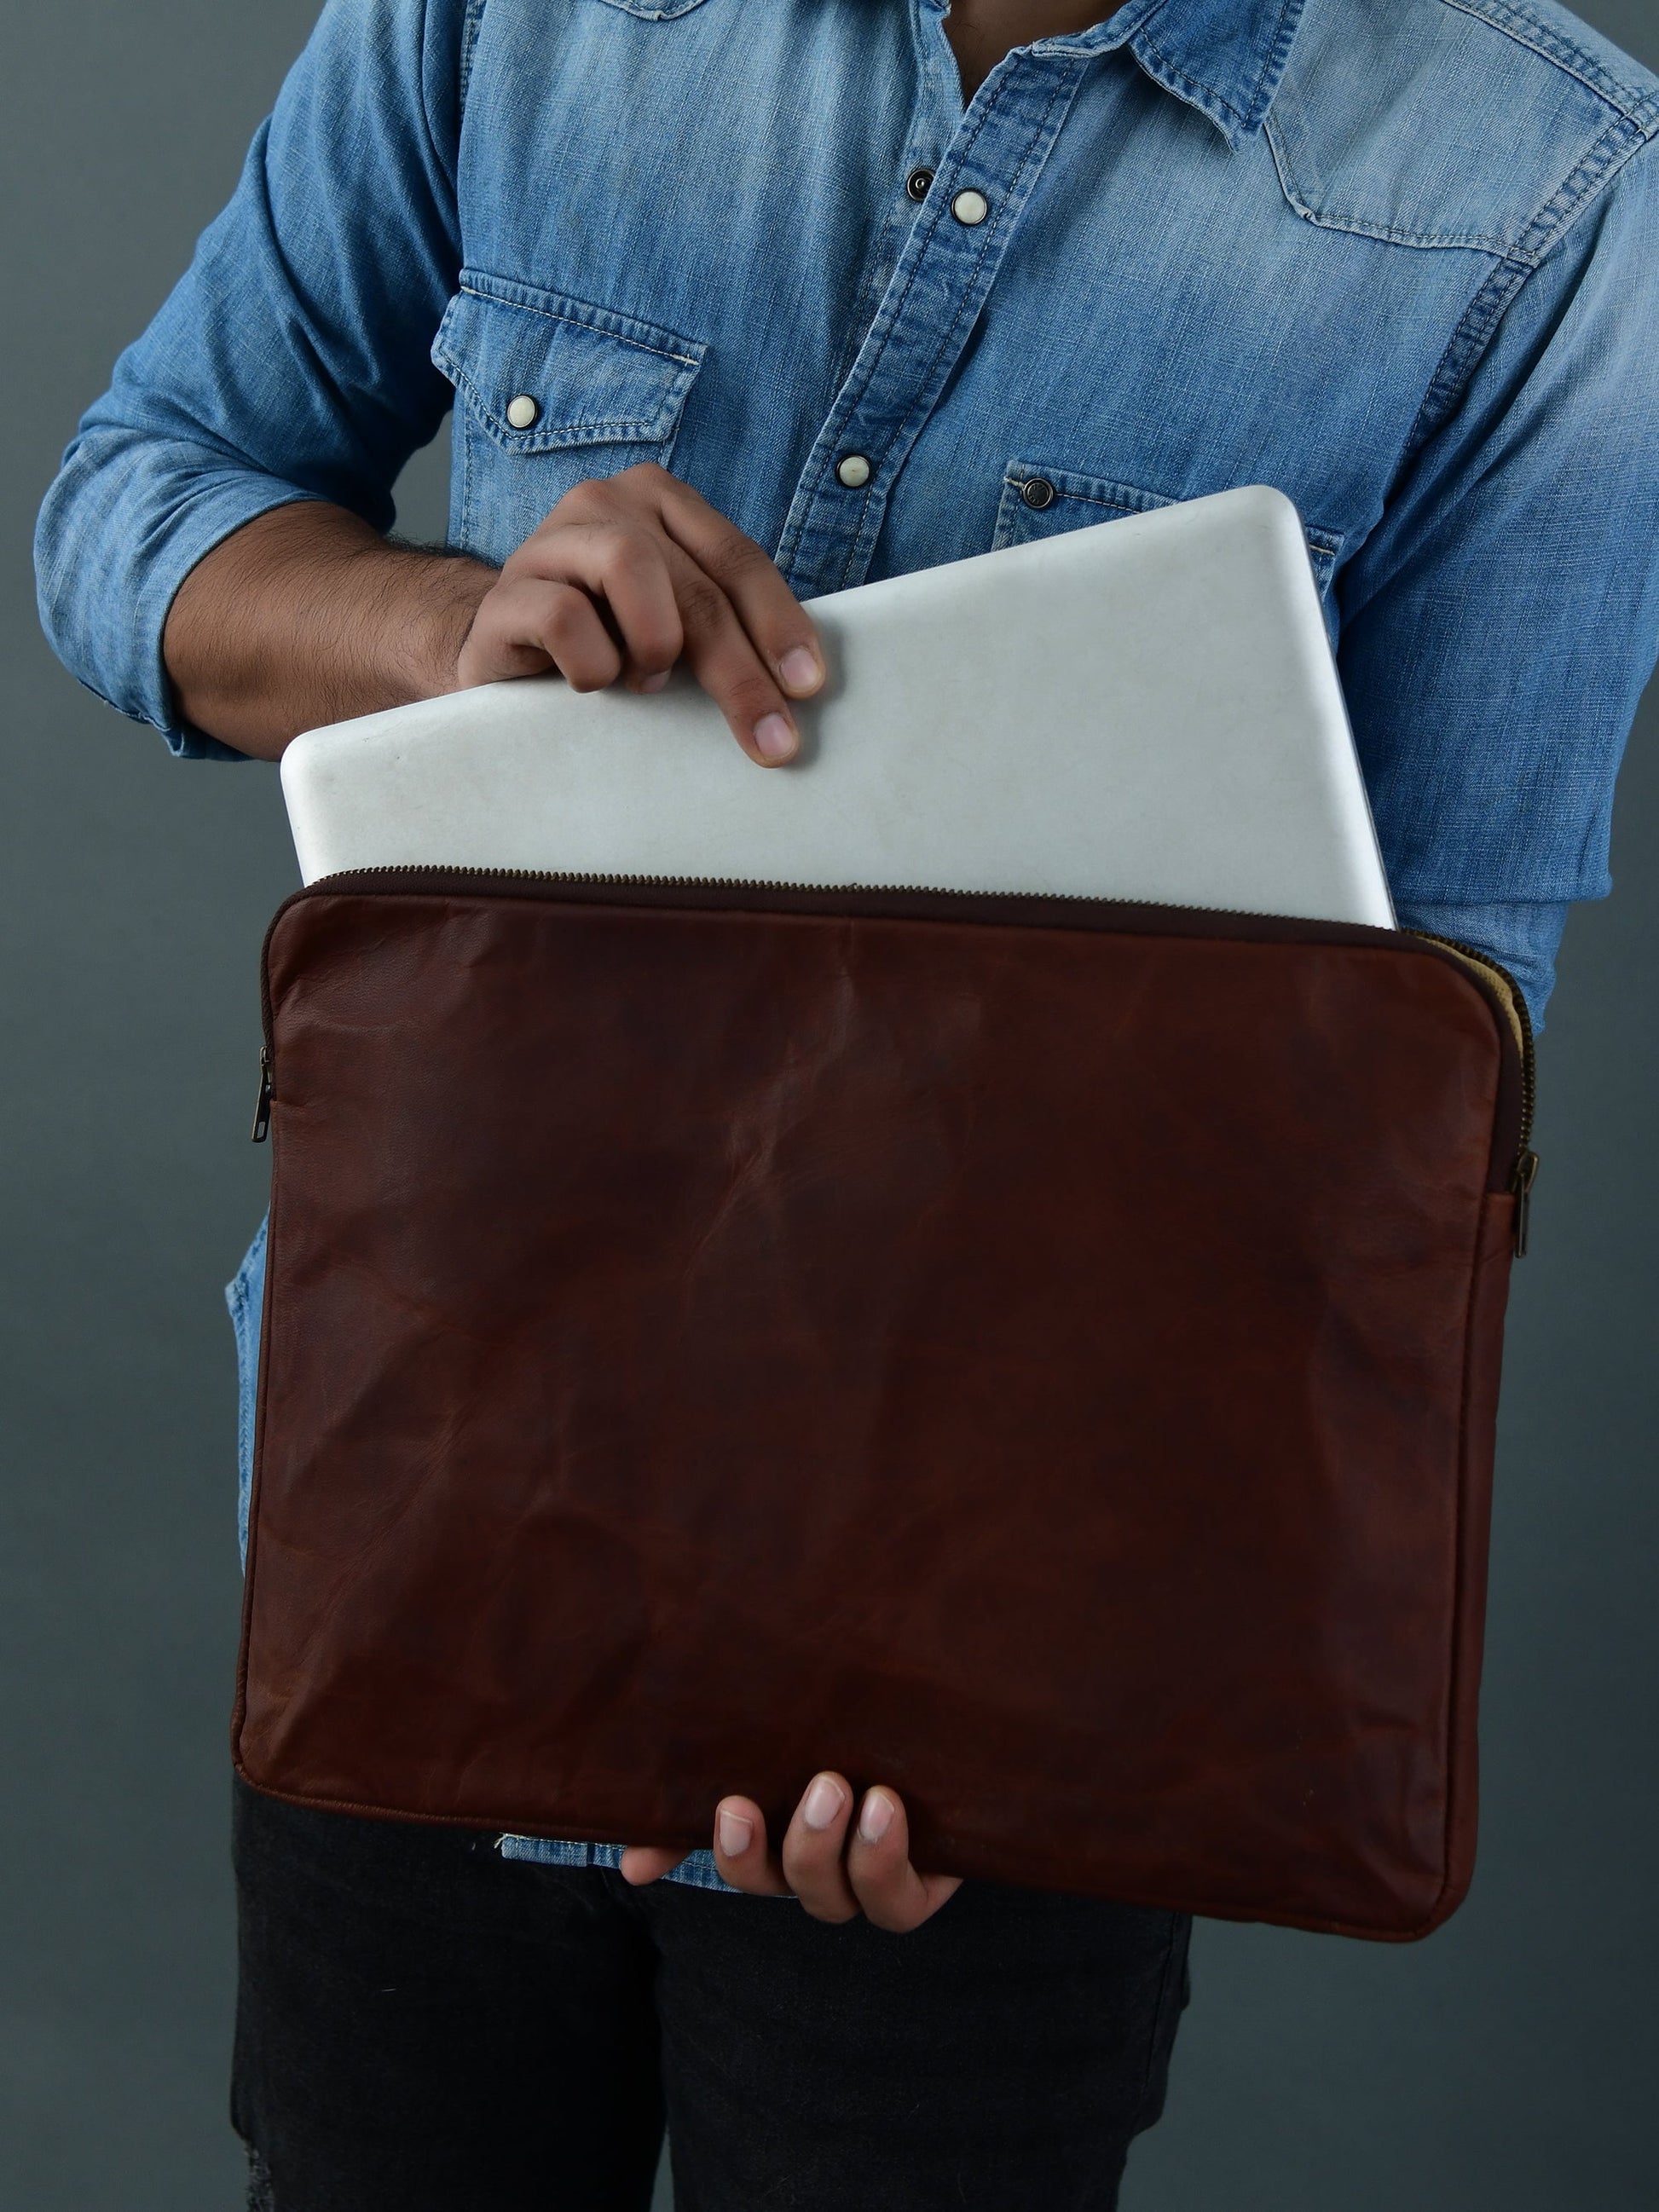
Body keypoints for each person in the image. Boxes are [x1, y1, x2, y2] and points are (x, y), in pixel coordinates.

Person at [34, 0, 1659, 2203]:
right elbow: (135, 500)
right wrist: (450, 631)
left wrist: (1015, 1641)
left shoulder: (1551, 191)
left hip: (1012, 1667)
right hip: (425, 1517)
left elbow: (1431, 1068)